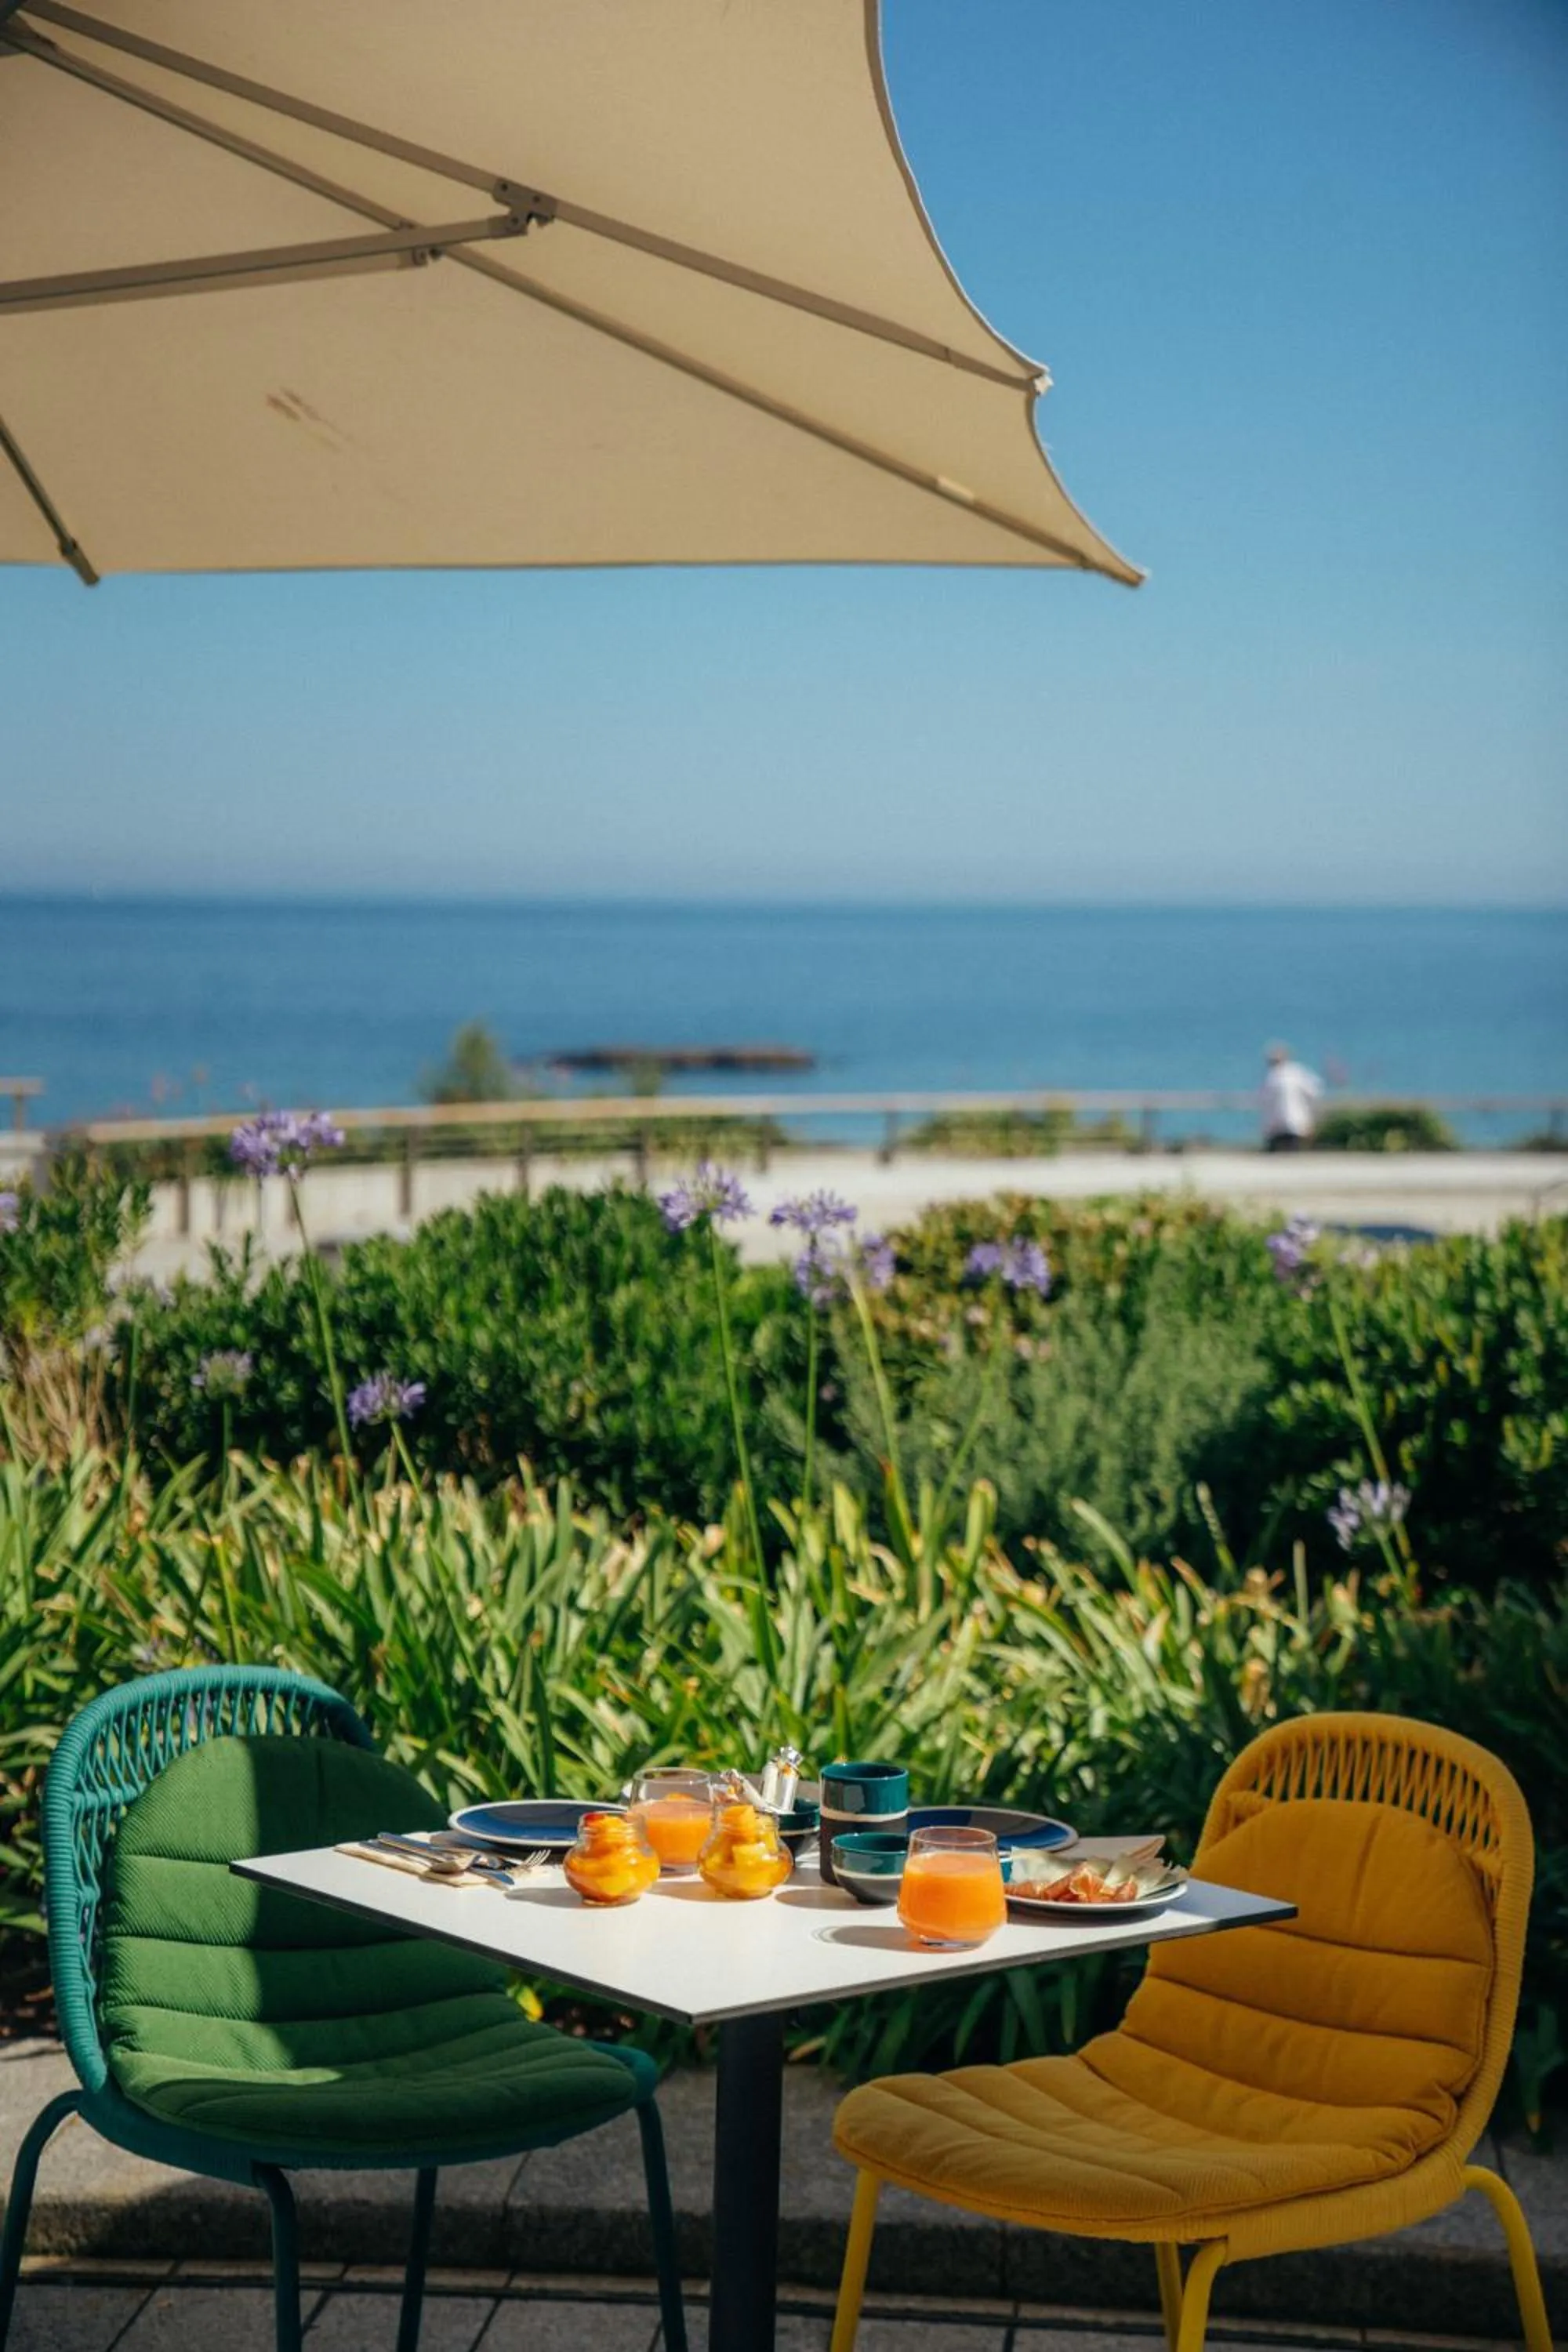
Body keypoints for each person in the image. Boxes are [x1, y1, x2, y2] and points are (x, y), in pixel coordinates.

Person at [1259, 1044, 1323, 1152]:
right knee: (1293, 1153)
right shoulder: (1297, 1072)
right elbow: (1314, 1091)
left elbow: (1264, 1100)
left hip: (1278, 1125)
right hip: (1295, 1122)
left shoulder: (1272, 1077)